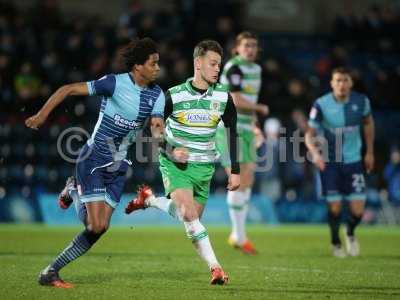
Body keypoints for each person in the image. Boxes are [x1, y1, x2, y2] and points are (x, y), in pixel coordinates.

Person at [25, 38, 165, 288]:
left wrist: (162, 140)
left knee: (99, 228)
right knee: (95, 224)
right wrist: (41, 115)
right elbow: (67, 89)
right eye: (153, 63)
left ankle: (51, 267)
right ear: (137, 66)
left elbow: (156, 124)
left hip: (119, 165)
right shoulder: (113, 83)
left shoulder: (157, 94)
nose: (158, 68)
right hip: (93, 158)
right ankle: (52, 268)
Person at [125, 40, 240, 285]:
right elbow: (153, 132)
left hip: (204, 167)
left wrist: (235, 171)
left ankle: (150, 200)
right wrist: (170, 151)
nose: (217, 69)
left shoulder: (223, 97)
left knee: (188, 217)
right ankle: (216, 268)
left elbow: (232, 134)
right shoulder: (173, 96)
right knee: (188, 215)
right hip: (175, 165)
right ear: (198, 63)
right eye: (213, 64)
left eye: (219, 64)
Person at [305, 67, 375, 257]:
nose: (341, 85)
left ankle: (350, 232)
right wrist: (316, 154)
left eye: (345, 80)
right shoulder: (321, 104)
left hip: (354, 161)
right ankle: (336, 242)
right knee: (334, 208)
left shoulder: (361, 102)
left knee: (358, 211)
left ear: (350, 83)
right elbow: (308, 135)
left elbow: (368, 123)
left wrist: (369, 152)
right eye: (338, 81)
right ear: (331, 83)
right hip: (330, 163)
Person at [215, 31, 269, 254]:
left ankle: (238, 234)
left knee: (248, 179)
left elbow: (250, 100)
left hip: (246, 128)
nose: (250, 49)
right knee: (237, 178)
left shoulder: (256, 70)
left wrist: (256, 125)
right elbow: (235, 100)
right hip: (228, 127)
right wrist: (259, 109)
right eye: (246, 45)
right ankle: (239, 235)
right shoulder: (233, 68)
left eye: (254, 45)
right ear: (237, 48)